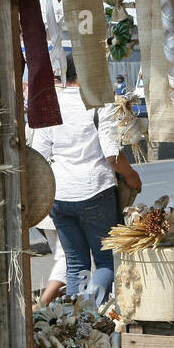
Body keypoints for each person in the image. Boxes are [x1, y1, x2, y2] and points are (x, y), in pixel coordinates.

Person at [32, 58, 142, 305]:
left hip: (60, 196)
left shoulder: (51, 103)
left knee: (76, 265)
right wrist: (131, 175)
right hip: (95, 193)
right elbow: (111, 154)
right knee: (106, 262)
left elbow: (38, 156)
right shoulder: (99, 104)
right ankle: (91, 310)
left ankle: (75, 323)